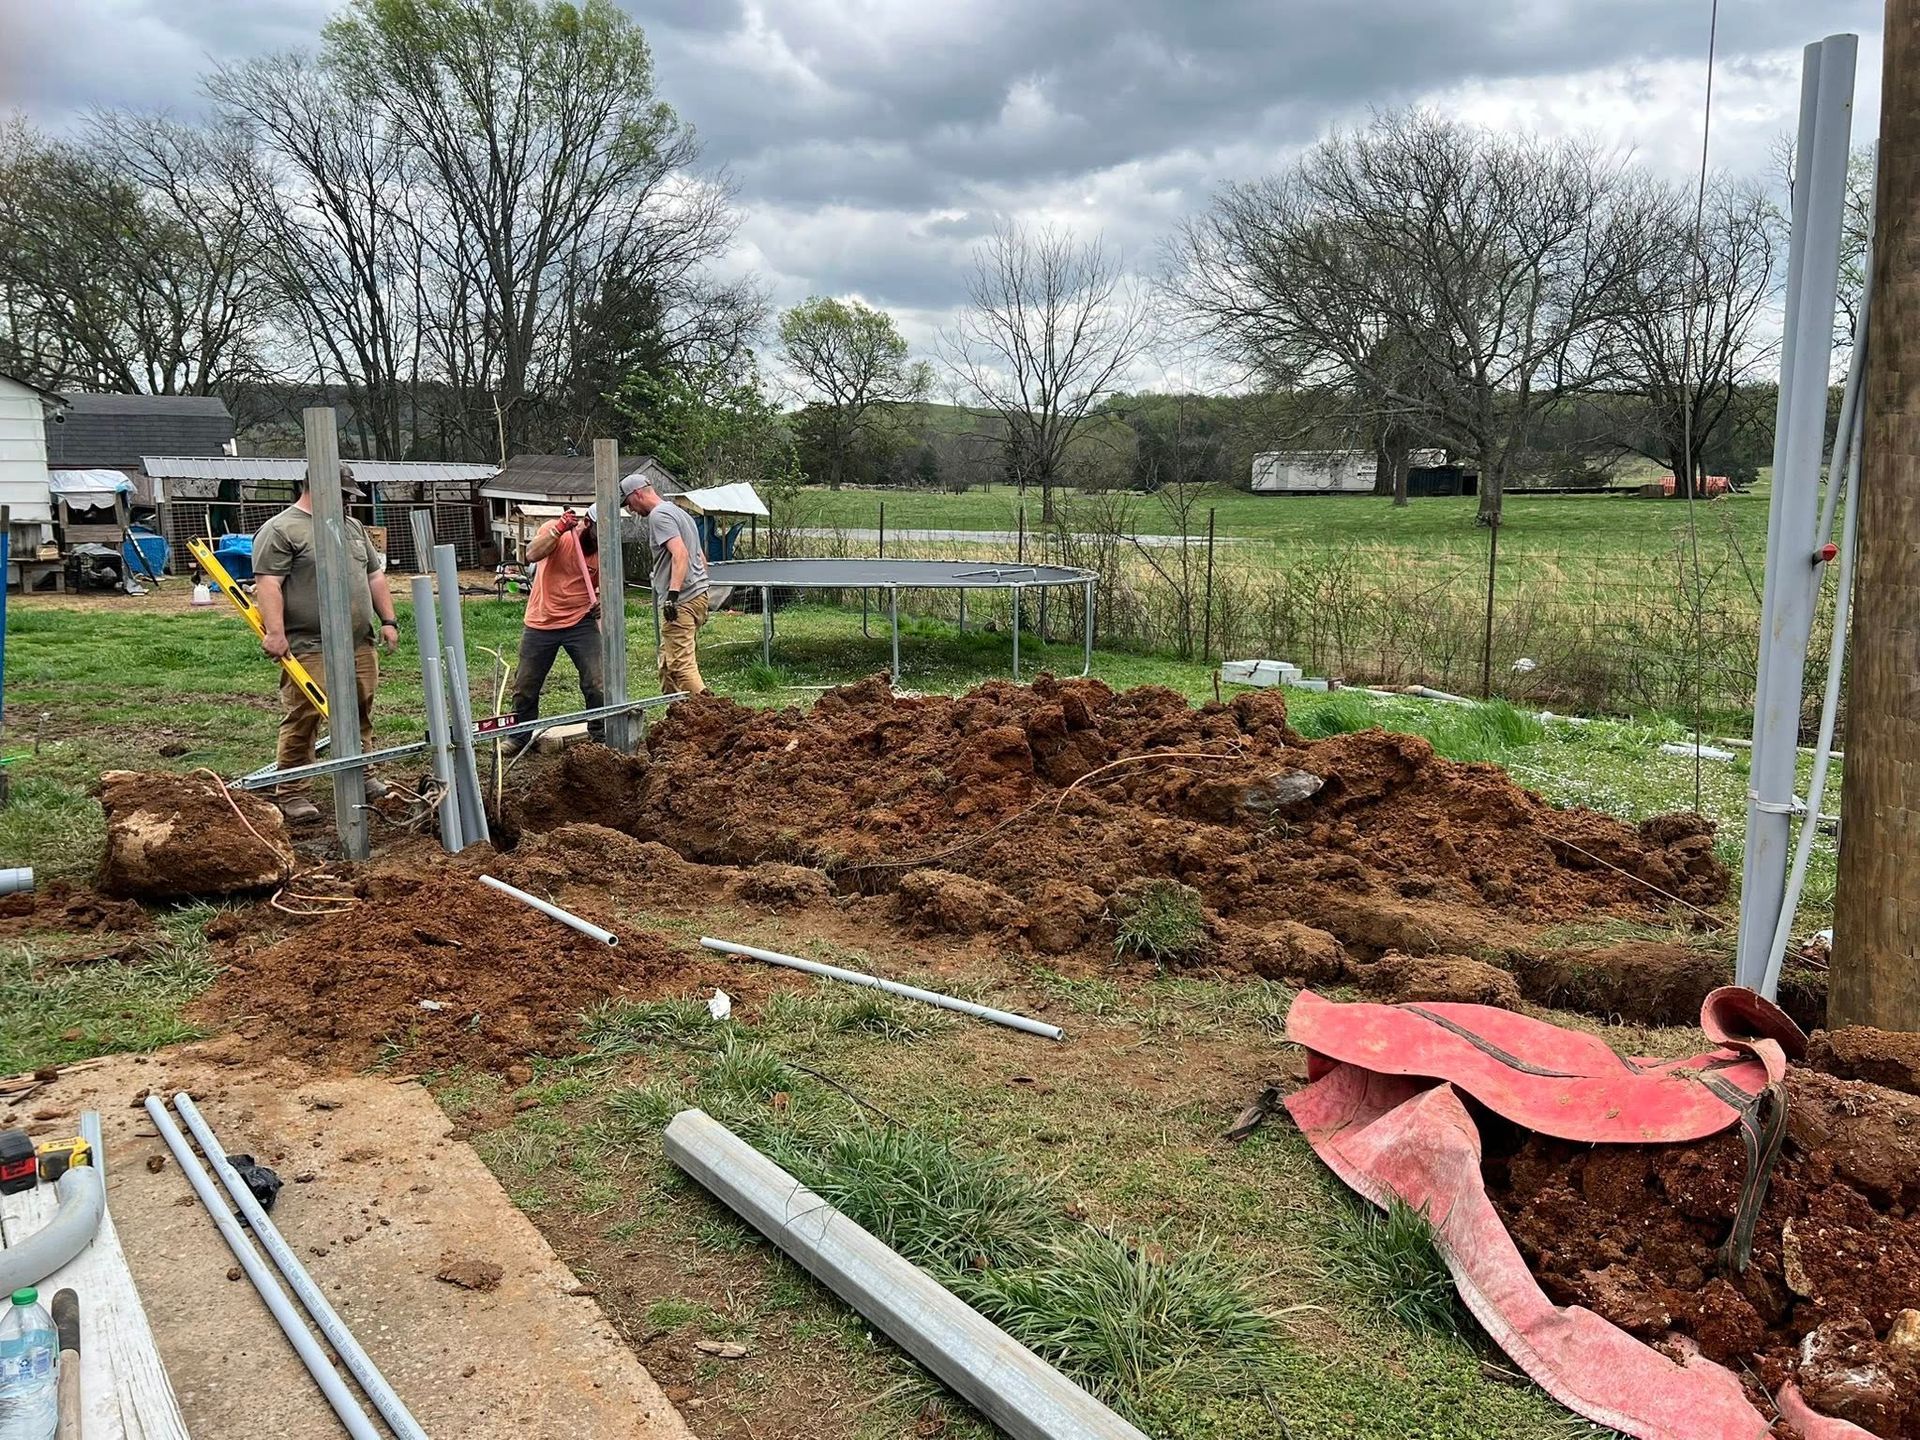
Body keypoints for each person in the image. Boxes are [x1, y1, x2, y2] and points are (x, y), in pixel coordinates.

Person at [253, 477, 399, 824]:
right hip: (308, 643)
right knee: (305, 714)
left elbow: (374, 576)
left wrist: (389, 620)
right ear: (315, 485)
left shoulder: (352, 527)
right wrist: (275, 632)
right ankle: (291, 791)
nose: (348, 502)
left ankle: (362, 774)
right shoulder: (282, 529)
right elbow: (267, 583)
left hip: (357, 641)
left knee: (360, 708)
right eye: (343, 495)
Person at [507, 503, 605, 753]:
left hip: (580, 621)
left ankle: (600, 735)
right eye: (600, 529)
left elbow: (607, 585)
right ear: (588, 523)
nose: (604, 536)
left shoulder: (606, 550)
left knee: (597, 683)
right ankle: (520, 736)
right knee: (525, 684)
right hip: (542, 619)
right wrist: (558, 530)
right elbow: (531, 554)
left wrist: (601, 600)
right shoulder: (557, 532)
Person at [626, 478, 710, 695]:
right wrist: (702, 588)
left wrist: (673, 595)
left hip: (681, 600)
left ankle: (714, 717)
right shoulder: (680, 513)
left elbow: (680, 554)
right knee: (667, 663)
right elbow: (700, 557)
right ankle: (675, 718)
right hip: (697, 595)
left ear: (637, 494)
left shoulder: (659, 515)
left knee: (682, 666)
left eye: (629, 502)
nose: (630, 509)